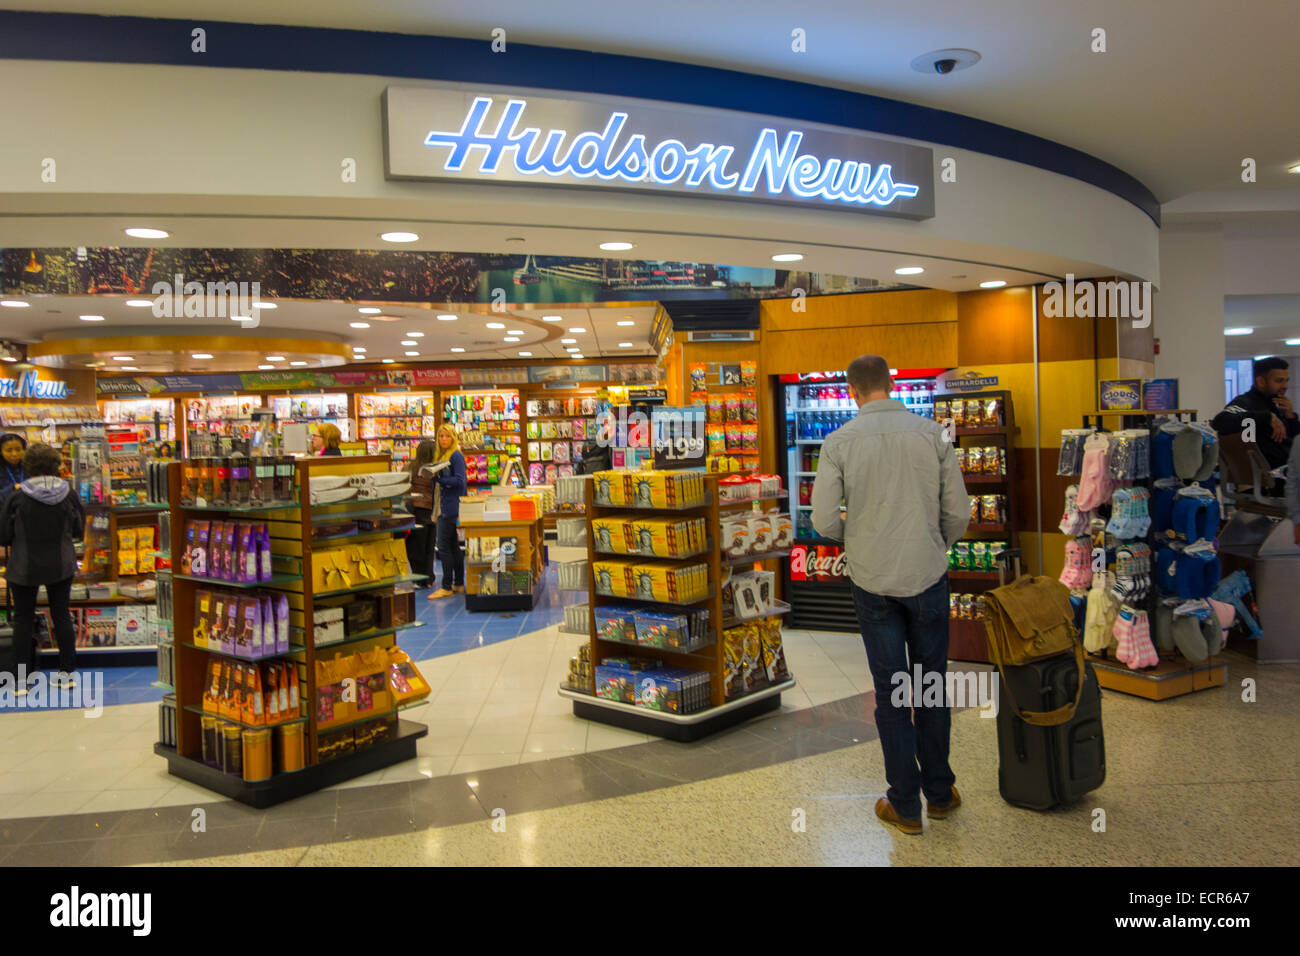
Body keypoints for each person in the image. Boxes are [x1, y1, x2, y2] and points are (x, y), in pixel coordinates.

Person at [811, 354, 970, 836]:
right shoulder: (934, 434)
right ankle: (940, 794)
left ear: (853, 391)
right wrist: (935, 543)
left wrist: (855, 538)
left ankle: (905, 804)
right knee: (931, 686)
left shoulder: (838, 442)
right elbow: (958, 512)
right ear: (891, 383)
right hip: (926, 574)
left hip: (872, 581)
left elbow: (821, 521)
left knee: (893, 693)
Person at [0, 443, 85, 691]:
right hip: (61, 563)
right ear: (55, 465)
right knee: (62, 616)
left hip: (23, 564)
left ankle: (20, 681)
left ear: (29, 466)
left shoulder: (17, 496)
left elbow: (3, 534)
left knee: (23, 619)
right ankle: (67, 673)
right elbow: (79, 529)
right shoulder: (68, 493)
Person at [1213, 356, 1299, 473]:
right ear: (1261, 382)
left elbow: (1294, 443)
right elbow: (1220, 421)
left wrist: (1291, 418)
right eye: (1279, 381)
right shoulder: (1245, 402)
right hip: (1274, 476)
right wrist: (1267, 417)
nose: (1285, 386)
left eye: (1286, 380)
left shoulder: (1277, 404)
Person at [427, 425, 467, 600]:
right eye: (441, 436)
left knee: (443, 546)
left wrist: (440, 480)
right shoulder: (442, 455)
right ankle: (458, 583)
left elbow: (460, 481)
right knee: (452, 546)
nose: (443, 439)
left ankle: (446, 586)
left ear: (453, 437)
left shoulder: (455, 455)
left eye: (447, 436)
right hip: (444, 505)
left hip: (450, 507)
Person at [406, 439, 438, 589]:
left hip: (415, 510)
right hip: (432, 510)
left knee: (415, 546)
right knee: (429, 546)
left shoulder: (410, 468)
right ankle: (429, 577)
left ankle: (418, 578)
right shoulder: (436, 469)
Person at [0, 433, 28, 501]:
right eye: (9, 450)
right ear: (1, 452)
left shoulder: (30, 467)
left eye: (18, 450)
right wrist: (12, 489)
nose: (14, 454)